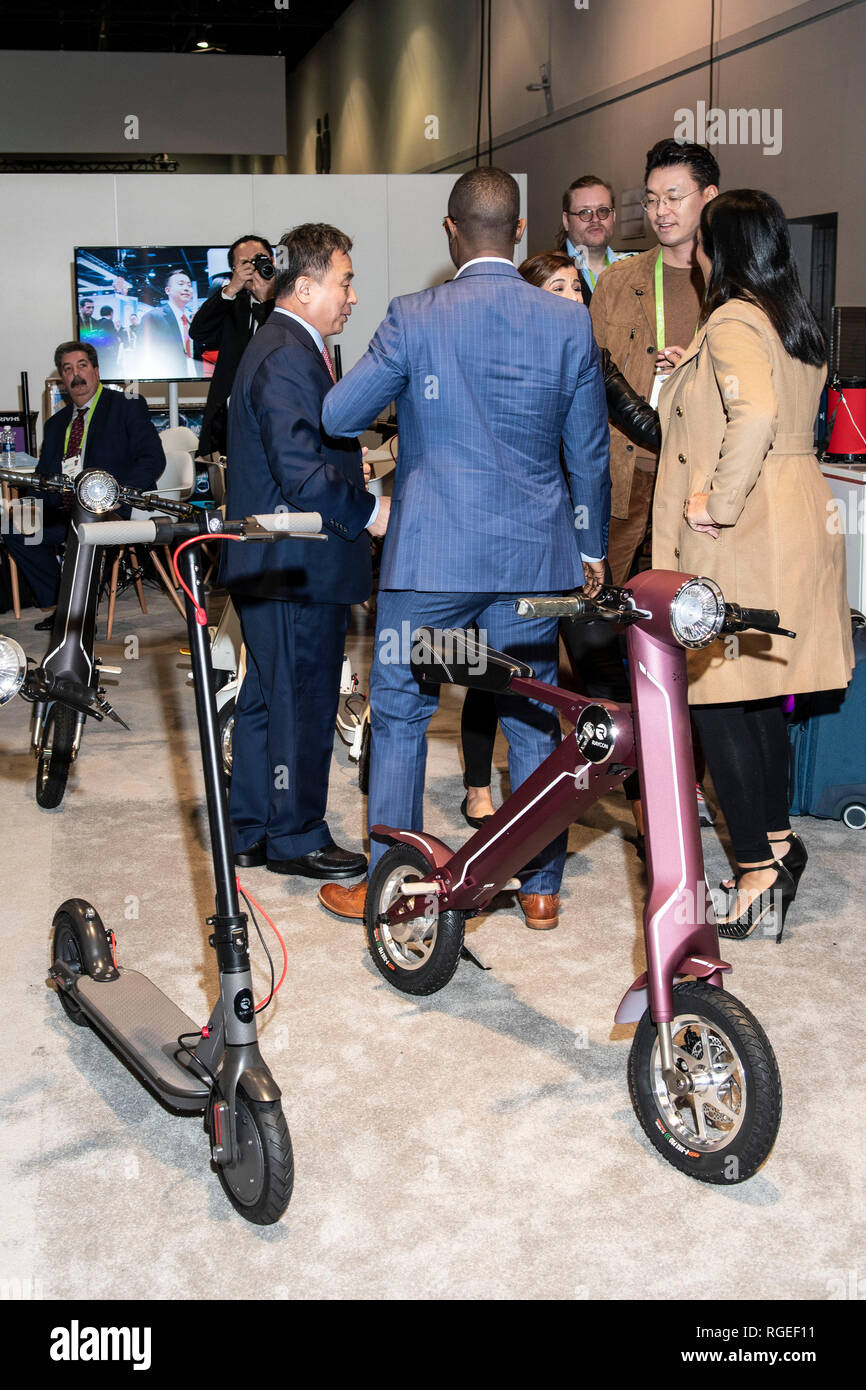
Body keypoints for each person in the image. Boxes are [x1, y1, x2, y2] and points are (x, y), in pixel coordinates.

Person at [317, 167, 610, 932]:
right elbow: (590, 453)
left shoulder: (414, 315)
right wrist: (591, 546)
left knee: (406, 711)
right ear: (519, 232)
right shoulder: (566, 322)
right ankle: (542, 886)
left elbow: (339, 412)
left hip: (433, 559)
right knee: (531, 715)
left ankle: (392, 882)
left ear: (450, 232)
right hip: (533, 561)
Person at [652, 190, 854, 940]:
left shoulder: (735, 317)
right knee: (759, 697)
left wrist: (716, 501)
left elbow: (756, 414)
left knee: (717, 700)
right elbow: (768, 403)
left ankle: (757, 870)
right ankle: (776, 841)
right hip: (795, 516)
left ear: (721, 248)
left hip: (750, 527)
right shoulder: (792, 318)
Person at [459, 250, 660, 838]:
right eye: (557, 287)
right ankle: (478, 784)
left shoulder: (591, 358)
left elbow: (643, 422)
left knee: (602, 663)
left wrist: (693, 412)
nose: (572, 298)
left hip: (579, 541)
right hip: (509, 534)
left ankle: (647, 803)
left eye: (578, 288)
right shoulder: (499, 358)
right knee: (496, 665)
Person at [219, 223, 389, 881]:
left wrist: (350, 469)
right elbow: (299, 473)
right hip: (295, 561)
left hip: (277, 562)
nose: (351, 295)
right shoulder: (290, 352)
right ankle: (295, 835)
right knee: (304, 701)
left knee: (268, 698)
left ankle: (252, 827)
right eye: (344, 281)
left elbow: (306, 453)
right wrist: (371, 511)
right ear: (308, 284)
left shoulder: (287, 346)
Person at [590, 140, 720, 587]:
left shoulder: (732, 284)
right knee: (600, 609)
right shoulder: (618, 281)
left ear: (709, 196)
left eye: (673, 197)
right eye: (651, 199)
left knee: (695, 610)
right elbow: (589, 376)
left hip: (702, 478)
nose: (660, 210)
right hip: (626, 474)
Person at [1, 341, 163, 624]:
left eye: (82, 366)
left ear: (96, 371)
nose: (76, 374)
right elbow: (43, 477)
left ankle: (81, 607)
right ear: (62, 379)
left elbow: (152, 459)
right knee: (15, 528)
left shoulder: (126, 406)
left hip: (109, 507)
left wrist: (116, 495)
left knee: (85, 529)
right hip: (63, 509)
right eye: (67, 369)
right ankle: (62, 604)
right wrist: (23, 507)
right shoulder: (56, 423)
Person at [189, 235, 277, 456]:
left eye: (260, 259)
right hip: (232, 424)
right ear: (233, 270)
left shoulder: (289, 302)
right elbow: (198, 332)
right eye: (245, 264)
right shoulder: (232, 306)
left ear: (273, 262)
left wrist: (266, 299)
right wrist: (230, 289)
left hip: (276, 421)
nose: (253, 268)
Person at [555, 174, 635, 292]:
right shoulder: (546, 274)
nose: (596, 219)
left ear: (613, 217)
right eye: (584, 212)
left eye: (603, 211)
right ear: (566, 221)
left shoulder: (633, 273)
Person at [137, 269, 202, 379]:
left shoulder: (190, 321)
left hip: (194, 378)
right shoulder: (153, 317)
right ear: (168, 290)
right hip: (166, 382)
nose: (187, 288)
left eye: (189, 285)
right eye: (181, 284)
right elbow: (142, 353)